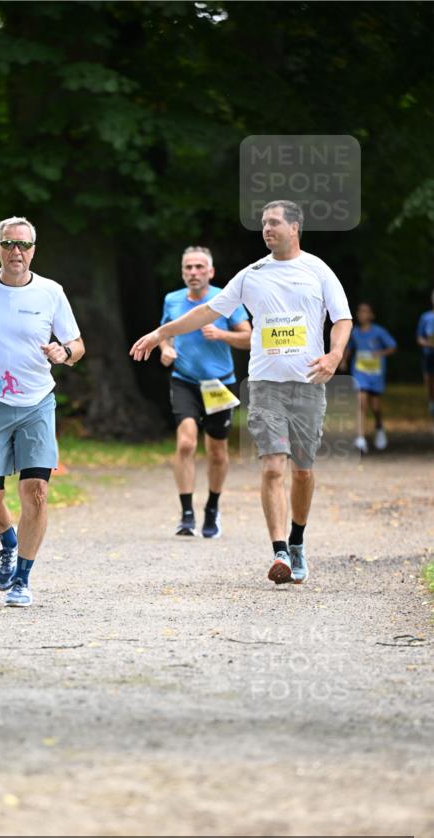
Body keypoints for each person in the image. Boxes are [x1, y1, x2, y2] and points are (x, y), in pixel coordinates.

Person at [131, 200, 352, 586]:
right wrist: (161, 333)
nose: (267, 229)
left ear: (295, 227)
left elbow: (342, 318)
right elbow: (207, 312)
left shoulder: (317, 270)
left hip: (307, 384)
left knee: (302, 470)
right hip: (265, 385)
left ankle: (298, 541)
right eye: (264, 224)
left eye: (274, 223)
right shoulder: (252, 274)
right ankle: (279, 550)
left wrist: (334, 355)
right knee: (271, 466)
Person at [0, 215, 85, 608]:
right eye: (8, 244)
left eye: (22, 245)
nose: (16, 252)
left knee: (36, 492)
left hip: (37, 402)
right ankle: (8, 541)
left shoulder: (51, 292)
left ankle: (22, 578)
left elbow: (76, 344)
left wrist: (64, 352)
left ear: (34, 250)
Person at [159, 246, 251, 538]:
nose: (193, 272)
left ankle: (212, 508)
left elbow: (250, 338)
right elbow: (166, 333)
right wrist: (165, 350)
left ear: (210, 272)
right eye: (188, 267)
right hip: (184, 381)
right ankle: (187, 514)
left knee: (217, 450)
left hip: (219, 384)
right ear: (182, 272)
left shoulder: (226, 299)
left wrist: (221, 334)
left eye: (199, 267)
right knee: (186, 443)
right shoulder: (172, 300)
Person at [345, 302, 396, 453]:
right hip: (359, 372)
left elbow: (392, 346)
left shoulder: (379, 331)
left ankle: (379, 427)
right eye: (360, 311)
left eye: (366, 311)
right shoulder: (354, 332)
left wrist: (380, 353)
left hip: (375, 373)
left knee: (375, 407)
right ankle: (360, 438)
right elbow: (349, 347)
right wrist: (343, 360)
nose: (362, 314)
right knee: (361, 402)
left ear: (372, 315)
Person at [415, 290, 434, 419]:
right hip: (429, 354)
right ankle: (432, 401)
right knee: (429, 380)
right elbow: (419, 337)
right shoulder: (425, 317)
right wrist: (427, 344)